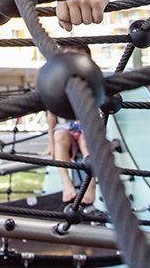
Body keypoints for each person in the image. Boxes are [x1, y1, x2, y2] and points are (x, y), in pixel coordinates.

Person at [45, 45, 97, 206]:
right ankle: (66, 183)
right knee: (59, 136)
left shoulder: (92, 83)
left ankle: (90, 185)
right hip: (65, 130)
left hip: (85, 129)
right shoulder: (56, 84)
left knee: (86, 141)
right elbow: (51, 118)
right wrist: (51, 144)